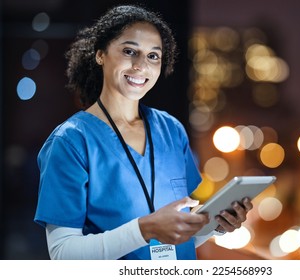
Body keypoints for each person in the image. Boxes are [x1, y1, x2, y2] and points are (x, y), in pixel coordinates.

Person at [34, 4, 253, 260]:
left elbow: (179, 238)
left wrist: (216, 224)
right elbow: (63, 255)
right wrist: (144, 229)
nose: (141, 65)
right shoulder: (71, 141)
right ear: (100, 55)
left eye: (153, 56)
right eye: (129, 51)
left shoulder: (171, 130)